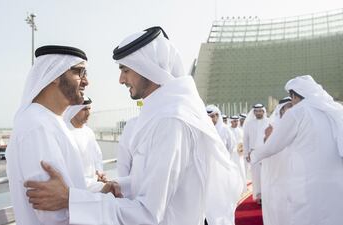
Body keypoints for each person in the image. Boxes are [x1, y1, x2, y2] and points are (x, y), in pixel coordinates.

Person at [24, 26, 242, 225]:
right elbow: (152, 181)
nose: (121, 79)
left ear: (147, 68)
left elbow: (147, 214)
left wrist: (71, 200)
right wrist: (113, 186)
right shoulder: (163, 114)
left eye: (125, 70)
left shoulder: (171, 121)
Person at [6, 45, 114, 224]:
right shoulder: (37, 126)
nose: (86, 82)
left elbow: (68, 189)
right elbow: (55, 215)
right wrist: (106, 204)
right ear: (55, 74)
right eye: (80, 72)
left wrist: (101, 190)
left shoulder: (52, 121)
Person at [248, 75, 343, 225]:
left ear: (295, 95)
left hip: (308, 182)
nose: (292, 102)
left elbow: (274, 145)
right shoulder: (334, 110)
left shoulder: (298, 112)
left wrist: (253, 155)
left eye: (292, 97)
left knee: (307, 218)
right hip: (335, 181)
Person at [259, 97, 292, 225]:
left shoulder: (300, 122)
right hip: (278, 171)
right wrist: (267, 138)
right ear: (281, 111)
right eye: (288, 108)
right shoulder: (272, 127)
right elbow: (265, 149)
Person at [63, 96, 107, 192]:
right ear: (73, 110)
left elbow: (97, 157)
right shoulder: (64, 132)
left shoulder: (88, 132)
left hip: (93, 185)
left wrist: (99, 173)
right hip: (74, 189)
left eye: (89, 109)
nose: (88, 113)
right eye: (84, 109)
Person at [243, 103, 269, 204]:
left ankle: (267, 195)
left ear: (263, 111)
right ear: (254, 112)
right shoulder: (249, 124)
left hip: (266, 152)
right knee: (256, 176)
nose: (258, 113)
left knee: (266, 174)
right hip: (253, 153)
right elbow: (245, 139)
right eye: (256, 111)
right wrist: (246, 154)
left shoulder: (268, 122)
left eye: (260, 111)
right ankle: (259, 196)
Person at [230, 115, 246, 193]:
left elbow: (243, 142)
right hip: (231, 154)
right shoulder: (228, 130)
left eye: (237, 121)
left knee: (241, 169)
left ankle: (242, 187)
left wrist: (241, 149)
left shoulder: (240, 130)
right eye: (234, 121)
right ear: (231, 122)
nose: (236, 123)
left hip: (239, 154)